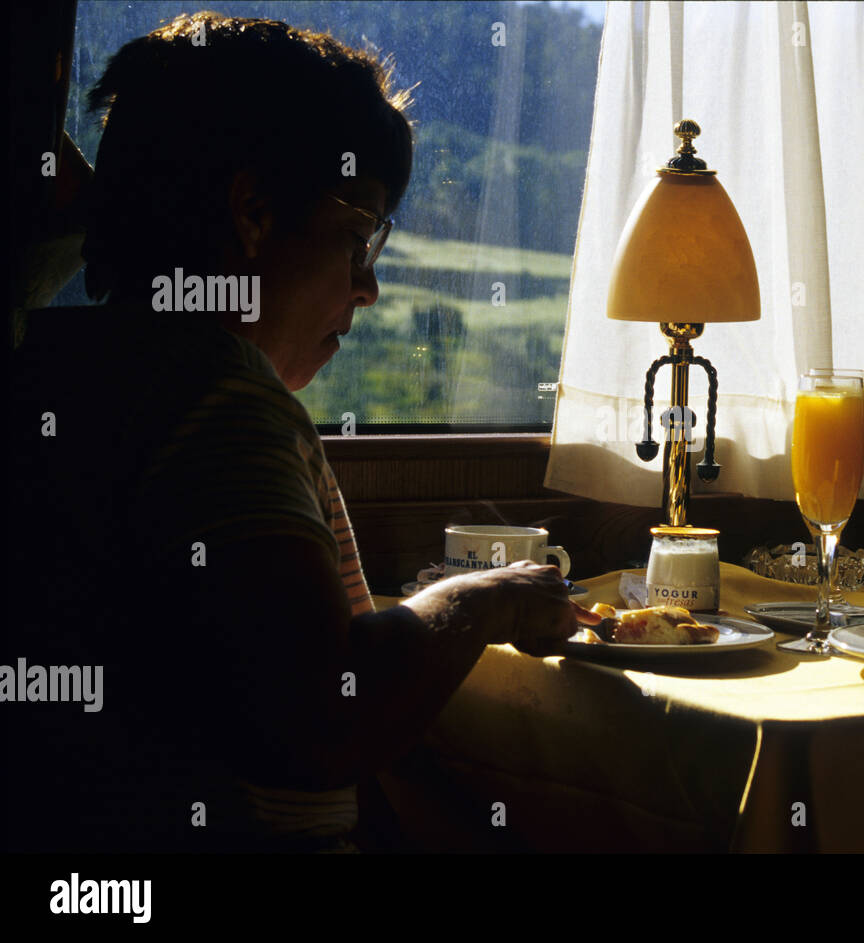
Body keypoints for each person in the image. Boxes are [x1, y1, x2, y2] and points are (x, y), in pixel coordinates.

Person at [5, 12, 597, 853]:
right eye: (358, 237)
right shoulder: (221, 402)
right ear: (253, 211)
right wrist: (477, 599)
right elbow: (326, 714)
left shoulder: (69, 369)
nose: (370, 288)